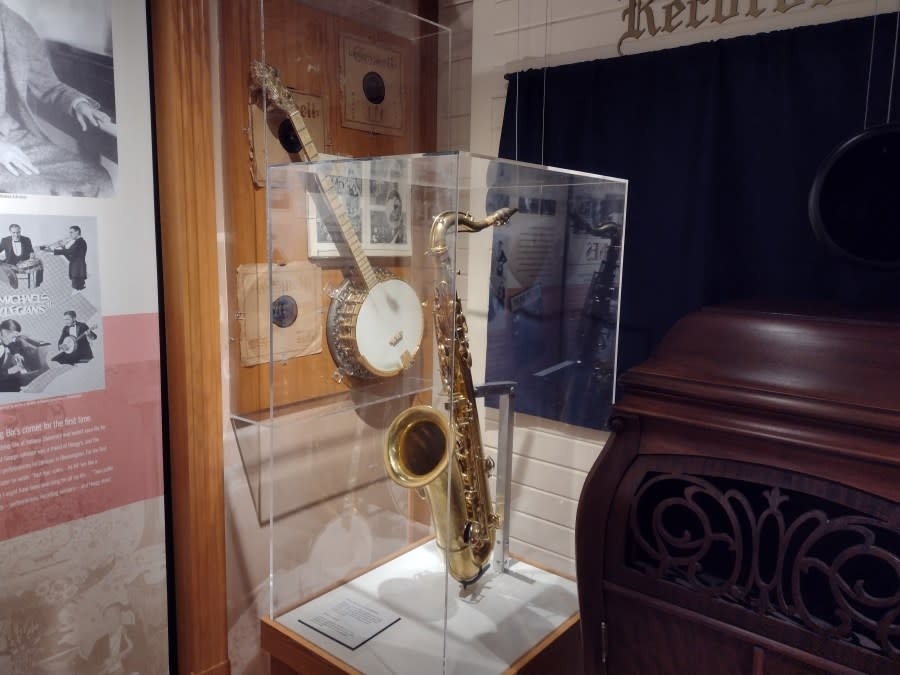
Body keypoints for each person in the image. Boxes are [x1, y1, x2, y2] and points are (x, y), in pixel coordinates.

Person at [0, 2, 113, 197]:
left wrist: (78, 103)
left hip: (11, 135)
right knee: (34, 188)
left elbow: (48, 85)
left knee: (96, 180)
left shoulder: (17, 25)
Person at [50, 225, 87, 291]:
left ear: (77, 232)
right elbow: (70, 257)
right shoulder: (77, 242)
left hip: (78, 271)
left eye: (71, 232)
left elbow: (68, 252)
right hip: (76, 271)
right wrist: (63, 247)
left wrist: (52, 251)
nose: (70, 234)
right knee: (77, 290)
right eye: (69, 233)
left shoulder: (80, 242)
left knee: (78, 290)